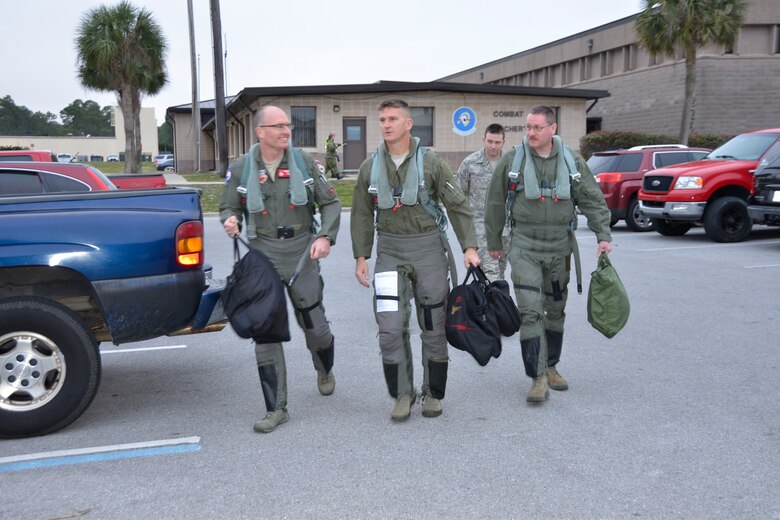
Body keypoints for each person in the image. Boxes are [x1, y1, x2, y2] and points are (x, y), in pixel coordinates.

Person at [351, 99, 480, 421]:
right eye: (382, 119)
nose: (386, 124)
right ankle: (401, 394)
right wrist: (361, 256)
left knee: (432, 327)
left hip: (427, 251)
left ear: (409, 124)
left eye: (393, 118)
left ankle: (433, 394)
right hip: (390, 252)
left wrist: (469, 246)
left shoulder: (432, 164)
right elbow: (362, 214)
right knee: (389, 328)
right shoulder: (370, 168)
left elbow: (458, 205)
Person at [220, 105, 342, 433]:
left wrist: (325, 237)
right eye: (278, 126)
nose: (286, 131)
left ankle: (324, 368)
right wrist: (229, 220)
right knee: (266, 330)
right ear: (260, 132)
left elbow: (330, 203)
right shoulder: (243, 167)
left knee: (314, 325)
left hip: (302, 251)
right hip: (263, 254)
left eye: (288, 125)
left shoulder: (303, 162)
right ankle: (276, 408)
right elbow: (228, 204)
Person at [484, 105, 613, 403]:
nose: (530, 132)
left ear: (552, 129)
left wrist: (603, 235)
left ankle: (551, 365)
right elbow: (493, 203)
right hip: (525, 246)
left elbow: (592, 199)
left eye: (537, 127)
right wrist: (494, 241)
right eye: (528, 127)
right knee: (530, 311)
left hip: (559, 247)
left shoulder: (572, 162)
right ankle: (537, 376)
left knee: (554, 312)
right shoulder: (512, 161)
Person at [457, 123, 510, 279]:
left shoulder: (510, 163)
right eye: (490, 141)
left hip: (506, 231)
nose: (493, 146)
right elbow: (459, 196)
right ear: (483, 140)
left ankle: (493, 303)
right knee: (490, 275)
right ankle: (491, 302)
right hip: (481, 230)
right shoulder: (470, 163)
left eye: (497, 142)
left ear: (503, 142)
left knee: (499, 274)